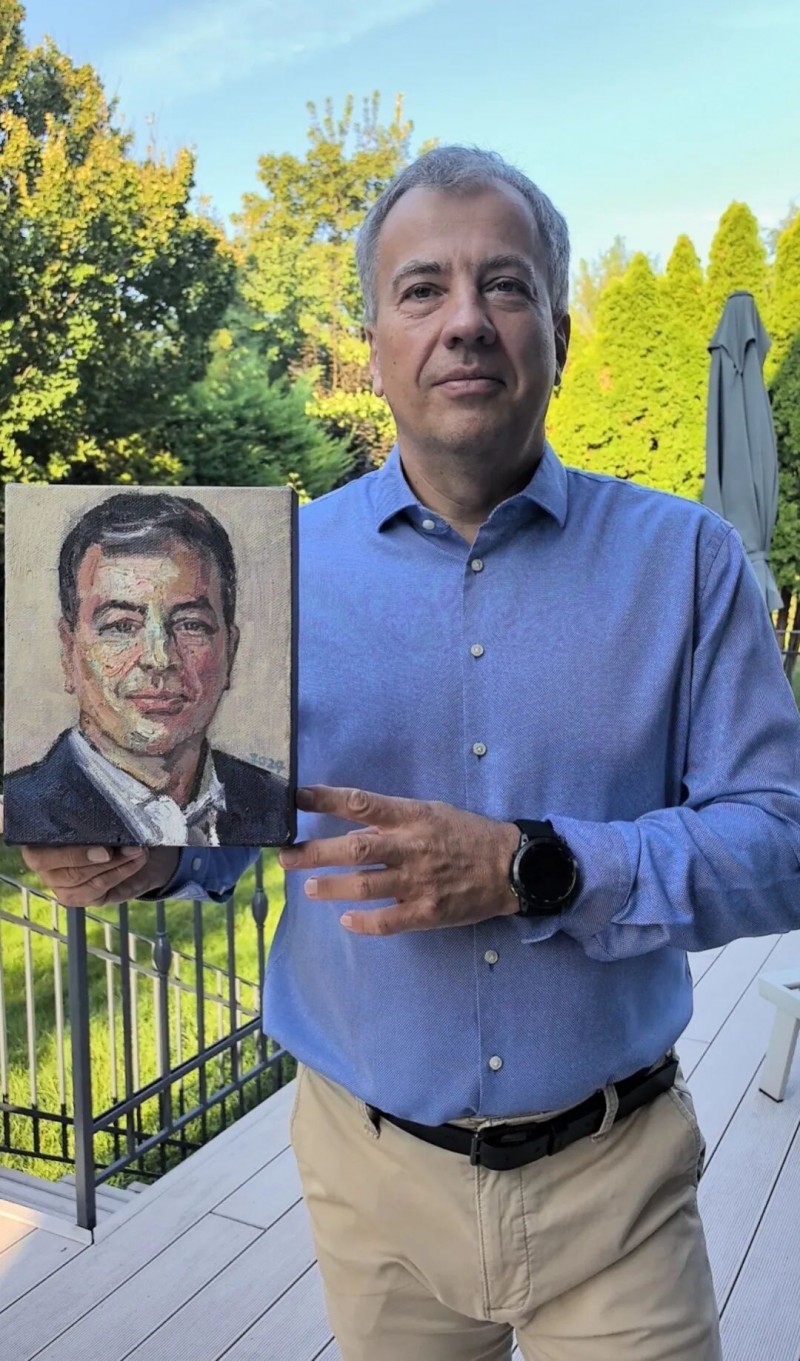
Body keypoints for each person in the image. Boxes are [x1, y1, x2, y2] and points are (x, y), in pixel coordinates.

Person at [20, 148, 800, 1360]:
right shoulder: (271, 575)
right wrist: (139, 857)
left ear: (558, 332)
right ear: (371, 345)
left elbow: (778, 842)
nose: (464, 320)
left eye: (506, 284)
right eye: (421, 288)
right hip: (367, 1183)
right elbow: (228, 820)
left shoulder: (685, 563)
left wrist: (534, 865)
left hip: (618, 1186)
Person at [4, 491, 289, 847]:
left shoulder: (277, 806)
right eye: (121, 626)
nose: (160, 657)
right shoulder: (20, 811)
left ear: (229, 651)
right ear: (68, 651)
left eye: (191, 624)